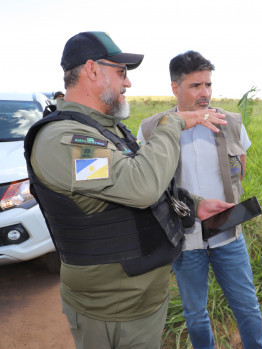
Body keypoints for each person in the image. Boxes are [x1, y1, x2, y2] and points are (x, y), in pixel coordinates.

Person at [23, 31, 233, 349]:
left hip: (139, 303)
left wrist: (193, 204)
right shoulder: (67, 140)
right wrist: (172, 123)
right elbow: (142, 187)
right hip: (111, 312)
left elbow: (121, 190)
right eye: (121, 73)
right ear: (92, 70)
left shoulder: (106, 130)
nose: (128, 83)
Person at [137, 50, 262, 349]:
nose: (204, 93)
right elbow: (147, 182)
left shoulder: (230, 122)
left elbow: (241, 169)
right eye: (196, 86)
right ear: (175, 87)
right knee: (195, 314)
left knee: (247, 306)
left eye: (208, 84)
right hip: (185, 239)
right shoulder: (152, 129)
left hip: (228, 235)